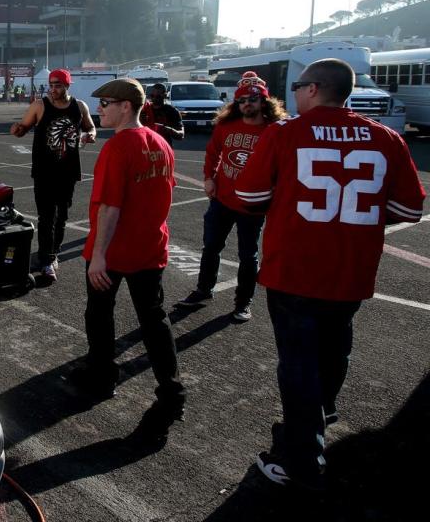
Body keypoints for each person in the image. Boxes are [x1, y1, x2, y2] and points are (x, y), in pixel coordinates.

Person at [235, 59, 425, 491]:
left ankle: (300, 459)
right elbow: (410, 209)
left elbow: (248, 195)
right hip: (351, 269)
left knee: (298, 364)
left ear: (315, 88)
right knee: (335, 346)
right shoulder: (386, 137)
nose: (295, 92)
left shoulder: (285, 134)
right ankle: (322, 412)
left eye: (299, 85)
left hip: (295, 269)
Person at [74, 78, 186, 435]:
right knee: (154, 320)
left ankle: (102, 375)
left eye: (105, 103)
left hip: (116, 248)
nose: (99, 109)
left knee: (100, 312)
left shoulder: (119, 146)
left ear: (126, 106)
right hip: (150, 245)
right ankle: (172, 390)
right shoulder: (160, 143)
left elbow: (110, 207)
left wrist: (100, 256)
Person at [175, 72, 287, 321]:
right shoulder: (226, 126)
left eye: (252, 99)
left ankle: (243, 302)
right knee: (211, 247)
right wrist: (208, 178)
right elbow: (213, 153)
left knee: (248, 255)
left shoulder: (274, 131)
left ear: (264, 101)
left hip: (253, 205)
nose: (247, 103)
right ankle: (204, 290)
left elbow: (284, 166)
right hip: (223, 200)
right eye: (242, 100)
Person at [10, 68, 97, 282]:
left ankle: (53, 253)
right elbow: (22, 129)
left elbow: (91, 128)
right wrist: (17, 130)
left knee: (62, 217)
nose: (53, 89)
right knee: (46, 216)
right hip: (44, 171)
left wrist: (89, 135)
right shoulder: (40, 105)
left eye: (58, 85)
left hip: (68, 171)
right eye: (51, 85)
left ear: (67, 86)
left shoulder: (79, 107)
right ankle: (45, 259)